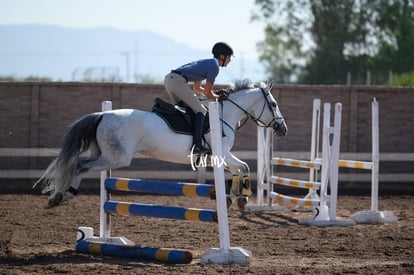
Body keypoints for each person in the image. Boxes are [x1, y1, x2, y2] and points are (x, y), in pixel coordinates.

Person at [164, 42, 233, 154]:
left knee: (186, 109)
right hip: (177, 81)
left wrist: (214, 94)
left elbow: (197, 89)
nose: (230, 60)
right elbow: (206, 92)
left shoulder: (207, 63)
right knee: (201, 110)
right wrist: (218, 98)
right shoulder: (214, 67)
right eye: (229, 57)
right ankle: (197, 145)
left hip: (170, 79)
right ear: (222, 56)